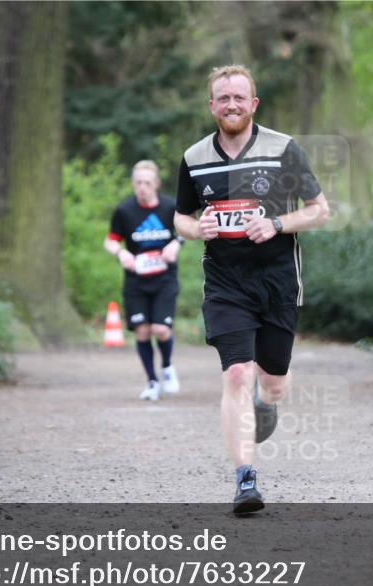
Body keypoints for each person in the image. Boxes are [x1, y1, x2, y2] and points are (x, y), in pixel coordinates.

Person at [174, 64, 329, 513]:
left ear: (253, 103)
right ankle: (245, 479)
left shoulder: (283, 149)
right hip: (226, 284)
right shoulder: (195, 157)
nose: (232, 105)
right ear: (212, 106)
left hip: (278, 281)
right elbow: (181, 216)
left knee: (272, 382)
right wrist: (197, 228)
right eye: (223, 98)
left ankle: (267, 399)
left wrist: (277, 223)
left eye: (239, 97)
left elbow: (319, 210)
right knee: (237, 373)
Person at [104, 160, 183, 401]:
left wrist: (175, 244)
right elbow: (110, 241)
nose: (142, 187)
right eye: (138, 182)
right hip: (136, 282)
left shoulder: (170, 207)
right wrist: (121, 253)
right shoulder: (124, 211)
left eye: (147, 183)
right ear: (133, 183)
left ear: (156, 183)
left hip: (164, 279)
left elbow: (187, 229)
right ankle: (151, 381)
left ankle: (167, 366)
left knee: (161, 329)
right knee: (142, 330)